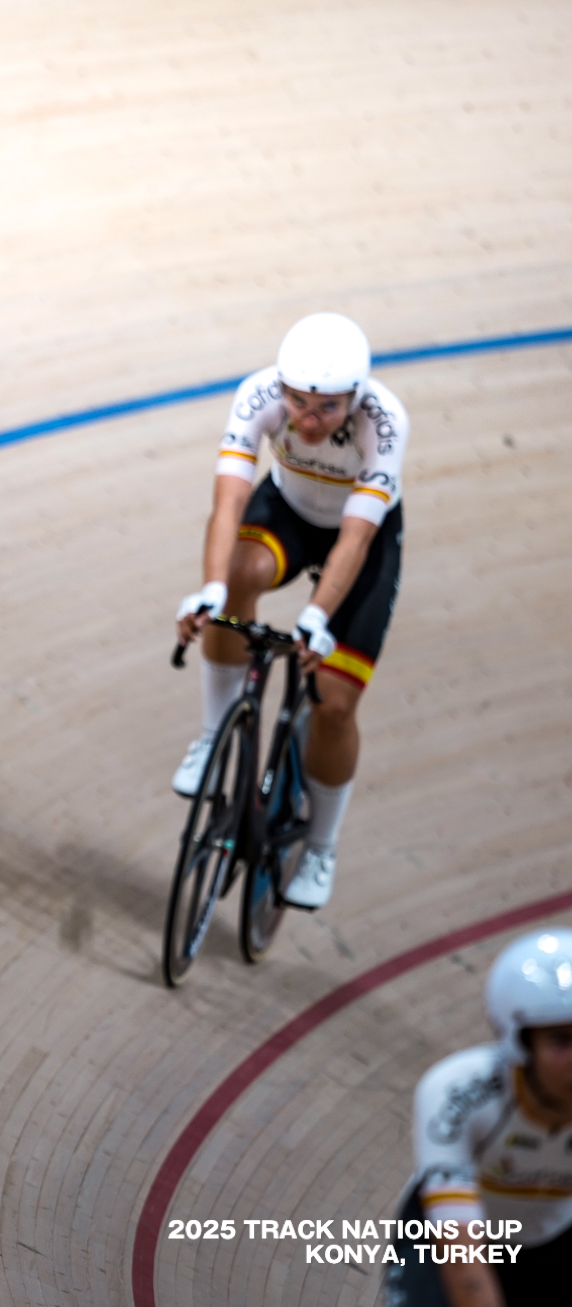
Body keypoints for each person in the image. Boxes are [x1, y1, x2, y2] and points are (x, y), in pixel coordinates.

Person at [172, 312, 407, 909]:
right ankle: (211, 737)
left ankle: (322, 847)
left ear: (354, 398)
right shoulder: (258, 396)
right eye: (297, 400)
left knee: (333, 703)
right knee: (237, 581)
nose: (305, 419)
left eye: (324, 408)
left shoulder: (384, 422)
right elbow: (228, 503)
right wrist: (211, 590)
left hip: (362, 537)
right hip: (289, 513)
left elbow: (354, 540)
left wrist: (317, 615)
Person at [382, 927, 572, 1307]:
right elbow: (460, 1252)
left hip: (553, 1241)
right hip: (443, 1236)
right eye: (562, 1041)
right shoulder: (459, 1093)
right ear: (520, 1044)